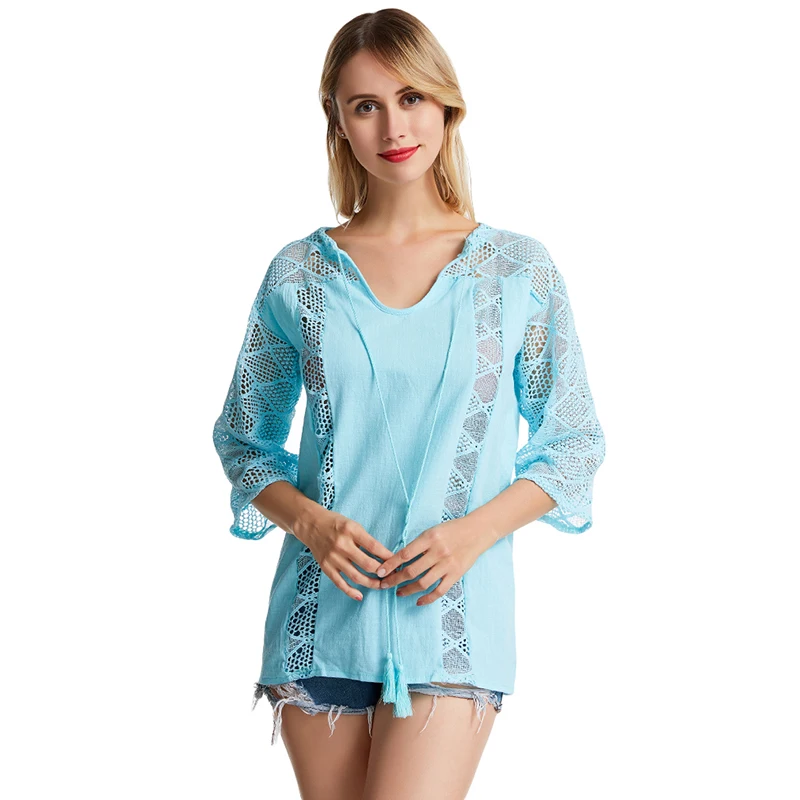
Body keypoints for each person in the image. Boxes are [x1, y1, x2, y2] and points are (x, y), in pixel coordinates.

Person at [212, 9, 605, 799]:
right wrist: (312, 524)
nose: (393, 126)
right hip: (319, 624)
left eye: (411, 98)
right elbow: (244, 442)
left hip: (452, 625)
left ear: (447, 104)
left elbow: (571, 442)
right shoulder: (299, 274)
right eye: (366, 105)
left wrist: (471, 535)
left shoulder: (517, 272)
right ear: (338, 122)